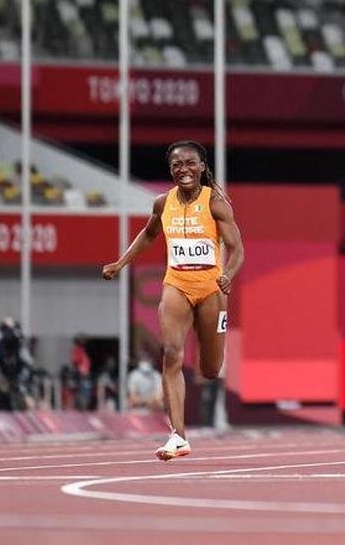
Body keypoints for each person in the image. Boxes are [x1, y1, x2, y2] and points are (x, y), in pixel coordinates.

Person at [102, 140, 244, 460]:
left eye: (190, 163)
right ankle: (178, 436)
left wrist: (228, 275)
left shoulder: (216, 203)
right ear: (171, 170)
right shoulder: (162, 203)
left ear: (203, 167)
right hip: (176, 284)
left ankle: (188, 416)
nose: (184, 169)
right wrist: (121, 263)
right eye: (177, 165)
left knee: (210, 369)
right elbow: (149, 234)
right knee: (171, 355)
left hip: (211, 288)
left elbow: (237, 249)